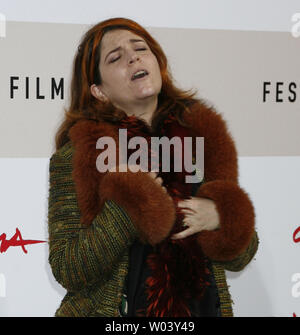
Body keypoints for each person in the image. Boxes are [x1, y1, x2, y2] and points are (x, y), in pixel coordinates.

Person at [48, 17, 258, 317]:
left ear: (157, 64)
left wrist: (222, 216)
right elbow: (68, 267)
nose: (133, 56)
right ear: (99, 91)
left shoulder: (202, 138)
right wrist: (129, 206)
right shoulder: (80, 156)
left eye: (140, 48)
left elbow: (242, 256)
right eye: (115, 57)